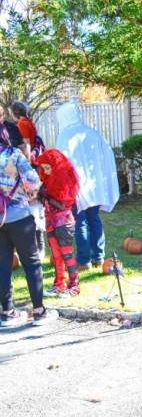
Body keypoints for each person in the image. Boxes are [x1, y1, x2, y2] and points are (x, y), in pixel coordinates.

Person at [0, 126, 58, 327]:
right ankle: (39, 310)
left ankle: (7, 312)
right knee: (31, 263)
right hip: (18, 215)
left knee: (2, 266)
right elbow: (33, 181)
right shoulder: (13, 155)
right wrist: (28, 191)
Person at [55, 102, 120, 270]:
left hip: (76, 187)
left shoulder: (64, 136)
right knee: (94, 218)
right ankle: (98, 256)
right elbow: (106, 155)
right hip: (94, 185)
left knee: (80, 221)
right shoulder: (92, 133)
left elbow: (61, 164)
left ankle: (84, 261)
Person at [37, 149, 80, 297]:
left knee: (67, 254)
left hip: (63, 223)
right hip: (50, 222)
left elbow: (62, 205)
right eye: (44, 168)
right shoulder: (48, 181)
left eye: (48, 168)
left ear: (55, 166)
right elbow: (44, 202)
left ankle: (74, 285)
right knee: (56, 255)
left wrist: (46, 196)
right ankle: (59, 284)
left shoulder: (64, 181)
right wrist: (40, 195)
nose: (46, 171)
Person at [9, 102, 46, 264]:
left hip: (28, 167)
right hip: (30, 166)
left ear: (14, 113)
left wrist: (26, 162)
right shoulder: (29, 122)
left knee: (32, 206)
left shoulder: (22, 124)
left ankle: (38, 246)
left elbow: (27, 144)